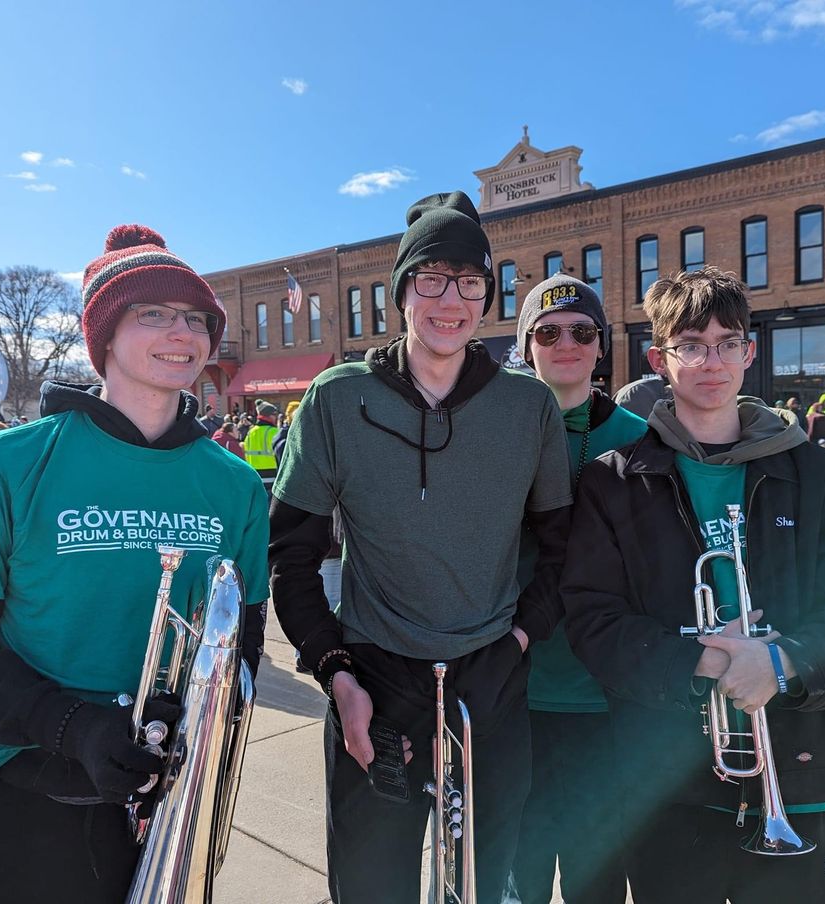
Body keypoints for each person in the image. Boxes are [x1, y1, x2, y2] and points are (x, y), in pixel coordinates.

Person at [0, 224, 271, 903]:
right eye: (151, 313)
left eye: (195, 318)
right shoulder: (3, 463)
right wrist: (73, 728)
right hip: (14, 796)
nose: (180, 332)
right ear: (103, 339)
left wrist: (194, 730)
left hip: (162, 805)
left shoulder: (234, 483)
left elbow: (239, 642)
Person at [268, 191, 572, 904]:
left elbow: (564, 555)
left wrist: (516, 646)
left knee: (478, 887)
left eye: (471, 282)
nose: (452, 299)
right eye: (431, 277)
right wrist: (337, 674)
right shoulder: (335, 400)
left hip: (490, 684)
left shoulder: (529, 408)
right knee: (372, 890)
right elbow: (291, 556)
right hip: (376, 684)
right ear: (402, 290)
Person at [562, 266, 825, 904]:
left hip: (798, 773)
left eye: (725, 342)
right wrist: (704, 662)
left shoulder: (820, 475)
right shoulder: (614, 481)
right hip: (665, 782)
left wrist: (782, 662)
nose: (709, 360)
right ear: (660, 359)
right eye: (690, 344)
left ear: (748, 353)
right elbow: (591, 620)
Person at [509, 276, 646, 904]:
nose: (566, 342)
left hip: (605, 701)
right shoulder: (493, 431)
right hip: (513, 693)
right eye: (548, 331)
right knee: (519, 872)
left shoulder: (642, 440)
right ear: (527, 345)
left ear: (601, 348)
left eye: (582, 332)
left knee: (596, 877)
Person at [243, 400, 280, 478]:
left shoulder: (250, 432)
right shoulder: (274, 432)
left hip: (253, 473)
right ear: (269, 416)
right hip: (272, 473)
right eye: (274, 415)